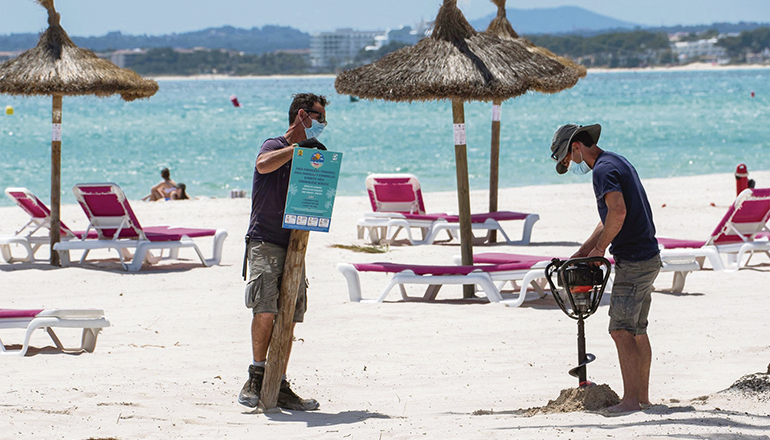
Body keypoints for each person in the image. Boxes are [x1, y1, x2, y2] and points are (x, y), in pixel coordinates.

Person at [549, 123, 661, 414]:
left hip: (634, 260)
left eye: (569, 156)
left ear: (576, 146)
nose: (571, 162)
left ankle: (631, 401)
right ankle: (643, 398)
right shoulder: (616, 160)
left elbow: (619, 212)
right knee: (637, 330)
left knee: (620, 330)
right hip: (648, 256)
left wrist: (601, 251)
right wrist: (586, 251)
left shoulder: (602, 170)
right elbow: (607, 218)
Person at [238, 93, 328, 411]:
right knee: (265, 308)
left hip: (295, 243)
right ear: (302, 115)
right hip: (265, 239)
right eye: (319, 117)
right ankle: (257, 374)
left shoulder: (308, 153)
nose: (323, 125)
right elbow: (262, 166)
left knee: (290, 314)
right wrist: (297, 150)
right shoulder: (274, 145)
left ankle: (279, 380)